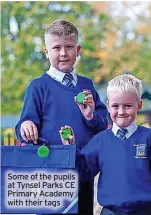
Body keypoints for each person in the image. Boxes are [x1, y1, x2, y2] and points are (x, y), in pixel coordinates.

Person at [15, 19, 108, 214]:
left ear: (78, 49)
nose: (64, 53)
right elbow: (23, 127)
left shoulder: (87, 85)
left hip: (83, 168)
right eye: (57, 47)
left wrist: (91, 115)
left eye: (69, 47)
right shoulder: (38, 87)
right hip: (51, 171)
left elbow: (102, 125)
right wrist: (26, 125)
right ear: (47, 51)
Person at [79, 74, 151, 215]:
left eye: (127, 106)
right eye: (115, 106)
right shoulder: (100, 140)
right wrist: (69, 148)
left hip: (144, 211)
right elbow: (83, 172)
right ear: (108, 106)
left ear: (139, 105)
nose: (121, 112)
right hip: (110, 212)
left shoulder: (150, 137)